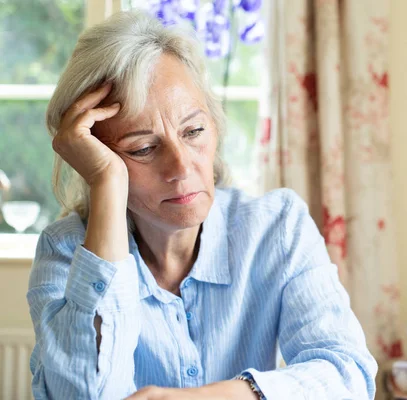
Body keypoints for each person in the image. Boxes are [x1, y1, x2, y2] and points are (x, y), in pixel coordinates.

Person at [26, 10, 377, 400]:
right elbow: (79, 394)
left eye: (193, 131)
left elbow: (347, 376)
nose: (181, 166)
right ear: (92, 155)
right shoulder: (65, 251)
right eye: (142, 148)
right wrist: (107, 184)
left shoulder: (278, 226)